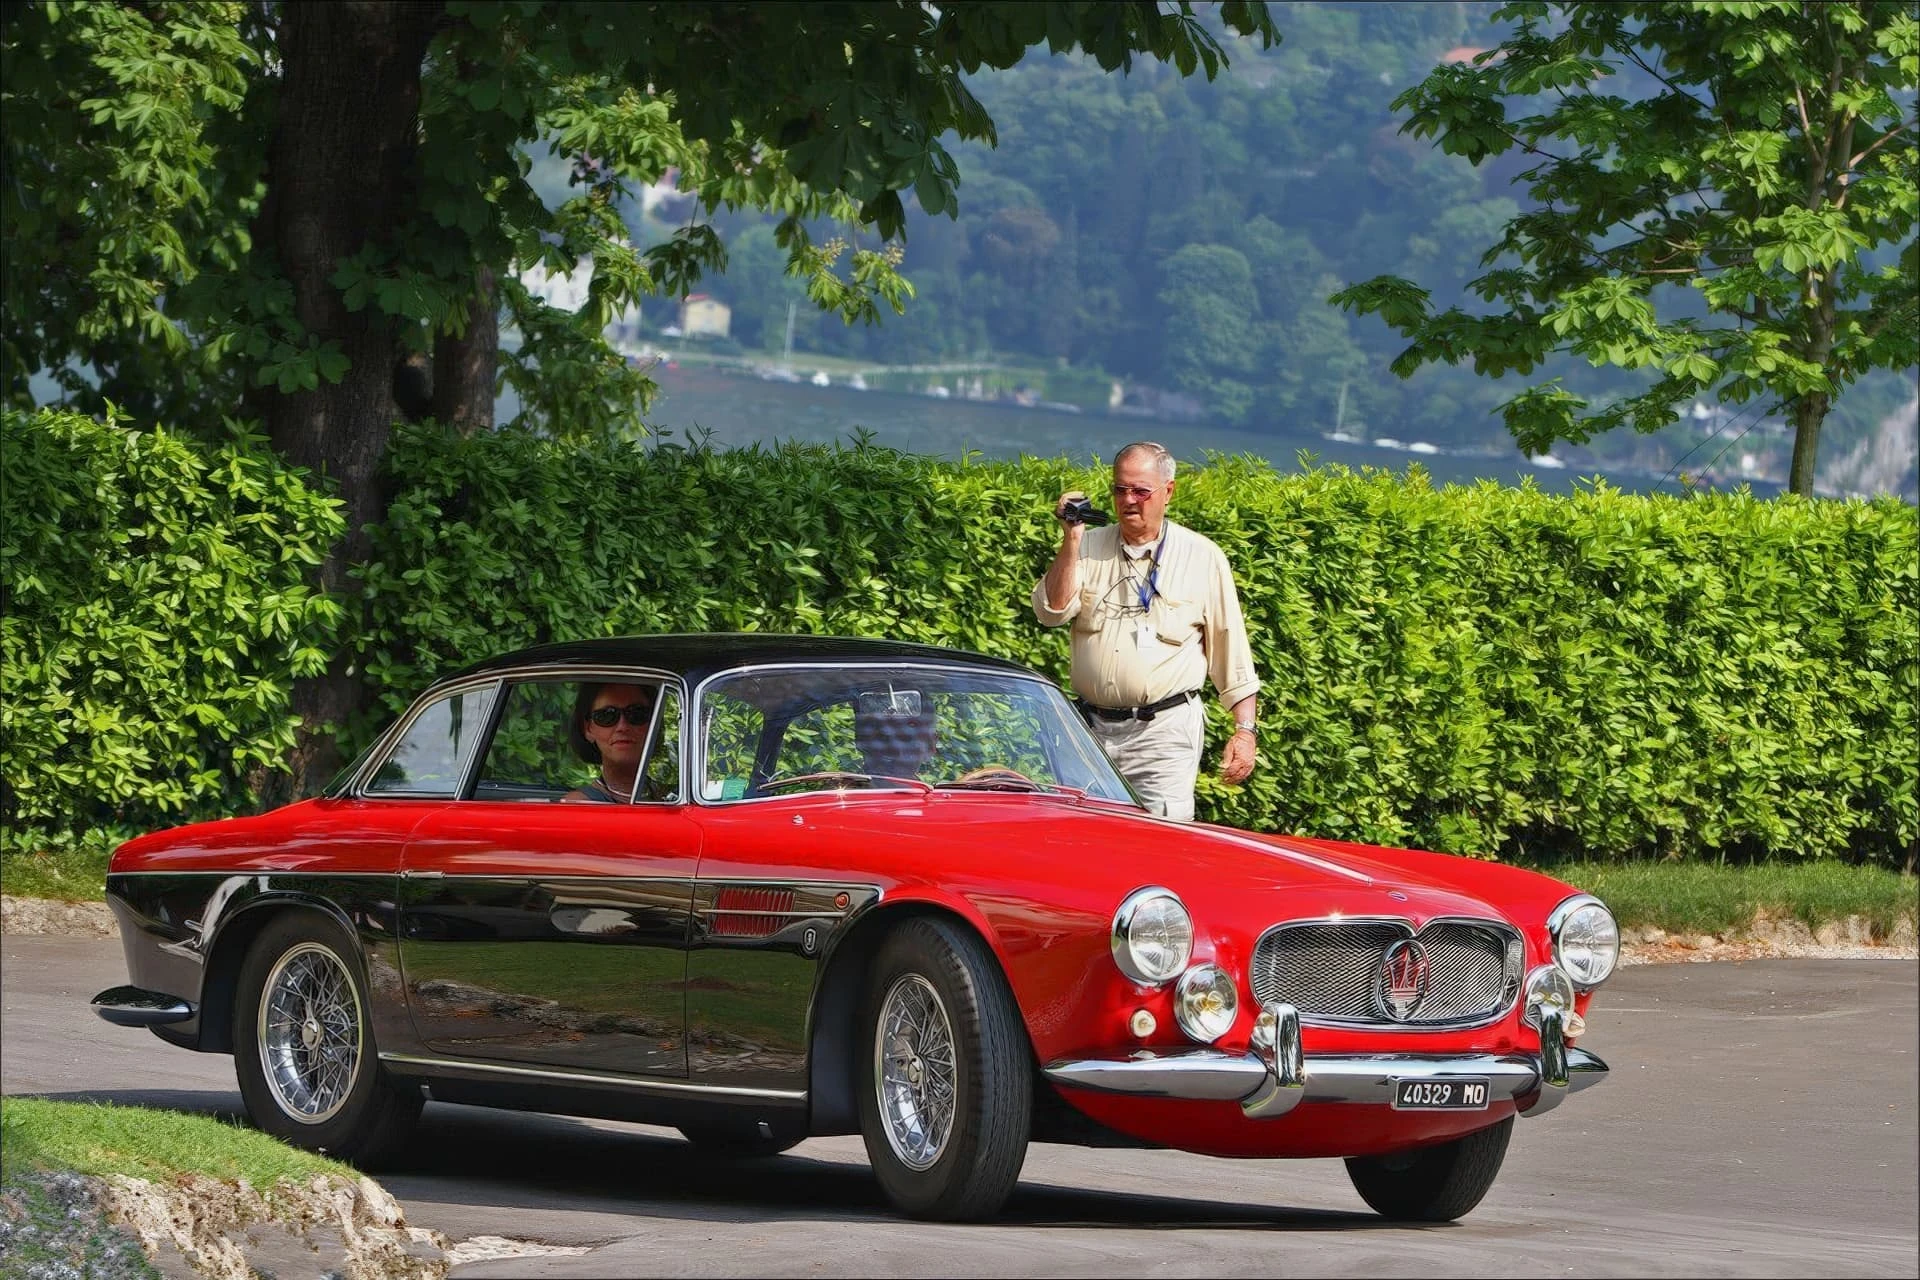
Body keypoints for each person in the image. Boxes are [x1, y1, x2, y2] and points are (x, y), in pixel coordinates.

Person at [1032, 441, 1259, 821]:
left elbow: (1230, 649)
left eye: (1141, 491)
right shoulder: (1086, 546)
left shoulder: (1202, 556)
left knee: (1160, 839)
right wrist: (1071, 538)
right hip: (1089, 731)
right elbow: (1052, 612)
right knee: (1082, 838)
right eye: (1120, 489)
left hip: (1163, 734)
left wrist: (1245, 731)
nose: (1129, 500)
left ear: (1168, 492)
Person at [562, 681, 657, 803]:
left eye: (636, 713)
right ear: (588, 729)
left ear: (654, 723)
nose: (622, 726)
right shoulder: (578, 805)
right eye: (606, 716)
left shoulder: (674, 797)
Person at [853, 693, 939, 779]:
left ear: (930, 745)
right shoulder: (842, 790)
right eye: (882, 737)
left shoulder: (945, 791)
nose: (895, 749)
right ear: (861, 740)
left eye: (907, 737)